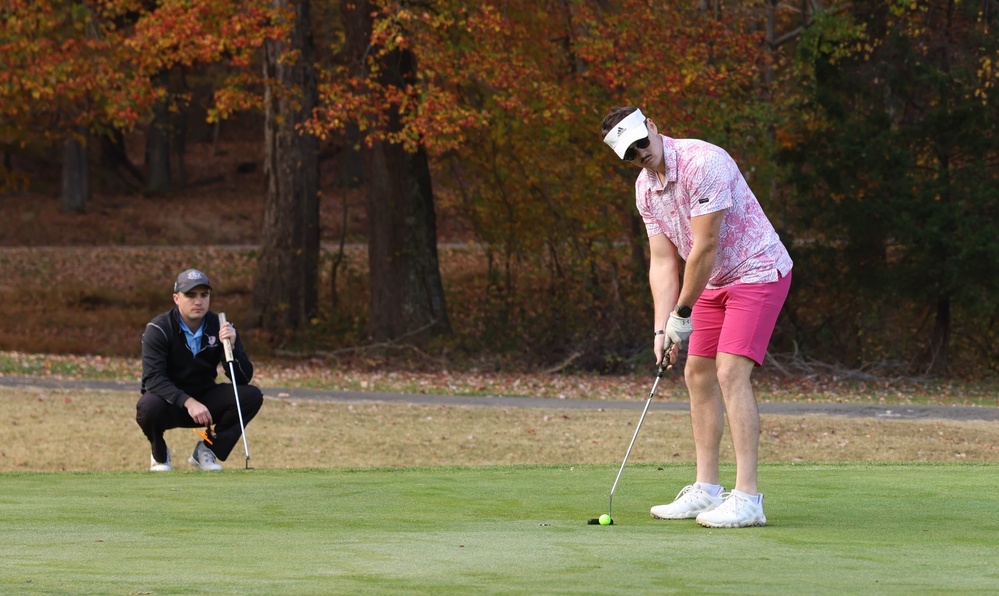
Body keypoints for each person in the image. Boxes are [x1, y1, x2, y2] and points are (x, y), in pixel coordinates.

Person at [601, 107, 793, 528]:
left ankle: (748, 499)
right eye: (630, 154)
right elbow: (662, 262)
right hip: (709, 280)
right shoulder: (645, 190)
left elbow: (704, 246)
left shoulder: (704, 162)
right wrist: (661, 325)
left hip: (756, 270)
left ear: (653, 125)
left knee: (729, 372)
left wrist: (682, 313)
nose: (639, 154)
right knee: (697, 374)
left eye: (641, 143)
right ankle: (707, 489)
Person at [136, 269, 263, 471]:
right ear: (176, 298)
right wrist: (188, 402)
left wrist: (234, 345)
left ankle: (207, 451)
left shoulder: (220, 325)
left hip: (206, 399)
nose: (199, 301)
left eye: (204, 295)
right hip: (169, 402)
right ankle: (159, 454)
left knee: (251, 396)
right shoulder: (159, 329)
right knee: (147, 407)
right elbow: (153, 379)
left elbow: (243, 378)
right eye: (191, 295)